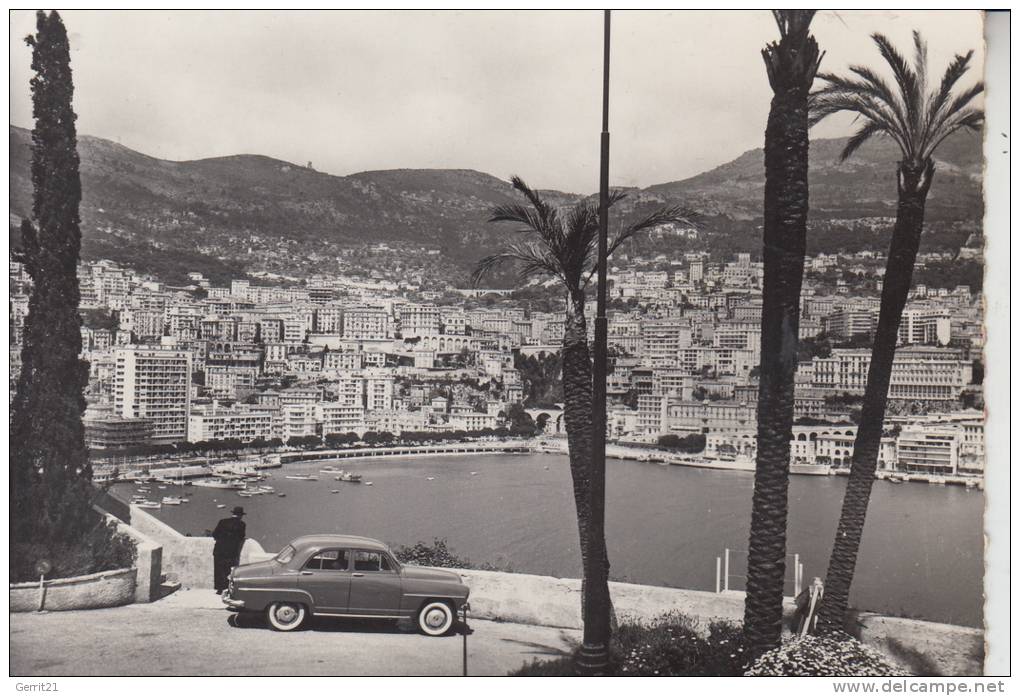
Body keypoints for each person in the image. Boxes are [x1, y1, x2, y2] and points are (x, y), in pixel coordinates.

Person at [212, 506, 247, 593]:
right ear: (240, 515)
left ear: (233, 513)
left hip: (219, 550)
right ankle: (228, 589)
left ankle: (219, 589)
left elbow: (215, 534)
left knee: (219, 569)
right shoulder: (242, 524)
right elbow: (241, 537)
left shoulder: (222, 521)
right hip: (231, 551)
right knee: (229, 570)